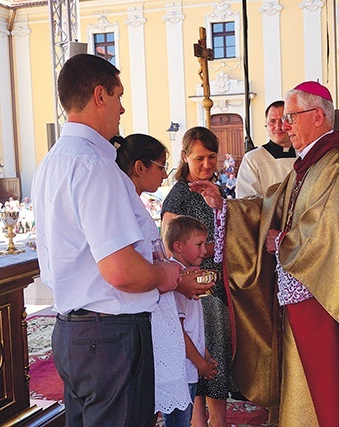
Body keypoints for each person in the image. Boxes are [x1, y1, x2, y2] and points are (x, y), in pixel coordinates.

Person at [192, 81, 339, 426]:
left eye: (292, 116)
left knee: (323, 378)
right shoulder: (308, 165)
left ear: (319, 117)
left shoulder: (338, 165)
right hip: (301, 293)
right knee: (300, 373)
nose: (285, 125)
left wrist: (285, 242)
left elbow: (331, 231)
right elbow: (270, 207)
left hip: (325, 295)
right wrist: (227, 207)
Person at [31, 54, 202, 427]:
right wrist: (166, 275)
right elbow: (121, 270)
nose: (123, 108)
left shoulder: (52, 161)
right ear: (99, 96)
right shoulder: (94, 166)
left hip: (74, 329)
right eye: (118, 96)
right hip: (108, 336)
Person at [112, 133, 211, 424]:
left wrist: (177, 272)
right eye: (160, 166)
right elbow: (132, 267)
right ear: (140, 167)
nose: (164, 173)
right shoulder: (123, 203)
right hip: (137, 314)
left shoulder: (133, 201)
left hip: (155, 306)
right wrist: (178, 279)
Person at [161, 126, 233, 427]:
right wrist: (209, 248)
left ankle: (218, 421)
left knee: (216, 356)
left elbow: (232, 228)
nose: (206, 165)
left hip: (217, 286)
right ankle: (199, 422)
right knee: (196, 357)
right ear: (185, 157)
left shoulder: (218, 188)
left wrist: (223, 206)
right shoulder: (178, 196)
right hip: (193, 287)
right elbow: (170, 244)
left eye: (212, 157)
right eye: (199, 158)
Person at [163, 215, 219, 427]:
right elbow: (178, 331)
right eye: (199, 244)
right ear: (178, 246)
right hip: (179, 370)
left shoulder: (189, 276)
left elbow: (194, 326)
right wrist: (200, 363)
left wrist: (205, 356)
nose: (205, 250)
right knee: (178, 422)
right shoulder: (175, 280)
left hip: (188, 367)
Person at [235, 100, 296, 198]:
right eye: (272, 121)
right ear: (266, 126)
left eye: (283, 120)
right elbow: (246, 202)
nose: (278, 127)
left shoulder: (304, 155)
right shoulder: (252, 159)